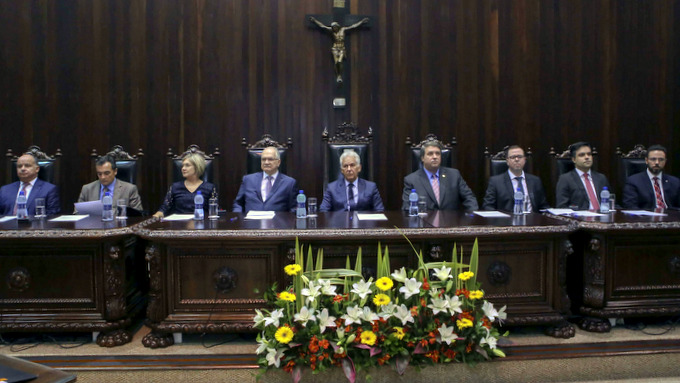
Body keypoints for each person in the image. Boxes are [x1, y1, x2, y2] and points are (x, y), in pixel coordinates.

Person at [402, 140, 478, 211]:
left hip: (452, 223)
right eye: (430, 154)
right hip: (424, 223)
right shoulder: (411, 180)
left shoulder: (454, 175)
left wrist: (471, 217)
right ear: (422, 158)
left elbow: (469, 198)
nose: (435, 157)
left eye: (438, 153)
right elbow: (407, 207)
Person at [482, 145, 550, 212]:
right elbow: (488, 206)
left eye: (520, 157)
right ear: (507, 161)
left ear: (524, 160)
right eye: (513, 157)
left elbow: (543, 206)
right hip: (506, 221)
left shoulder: (535, 181)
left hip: (532, 220)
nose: (517, 159)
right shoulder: (495, 182)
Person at [232, 146, 297, 213]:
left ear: (278, 162)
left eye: (270, 159)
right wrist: (238, 218)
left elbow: (294, 208)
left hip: (277, 222)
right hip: (251, 222)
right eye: (263, 159)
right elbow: (238, 204)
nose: (266, 162)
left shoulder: (289, 183)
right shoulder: (248, 180)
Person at [153, 153, 217, 218]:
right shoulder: (175, 187)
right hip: (179, 225)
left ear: (197, 167)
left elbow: (214, 210)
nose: (183, 168)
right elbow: (164, 208)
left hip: (202, 223)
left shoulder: (209, 187)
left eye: (187, 165)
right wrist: (157, 215)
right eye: (182, 166)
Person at [309, 16, 369, 84]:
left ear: (338, 26)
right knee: (336, 62)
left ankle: (339, 75)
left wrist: (361, 22)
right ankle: (338, 76)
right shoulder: (332, 31)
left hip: (342, 48)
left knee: (339, 62)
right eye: (333, 27)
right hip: (335, 48)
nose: (334, 28)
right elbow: (322, 26)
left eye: (335, 27)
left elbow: (353, 26)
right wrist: (314, 21)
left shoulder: (343, 30)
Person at [320, 150, 384, 212]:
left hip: (363, 222)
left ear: (359, 168)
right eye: (345, 166)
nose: (349, 169)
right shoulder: (331, 188)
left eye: (352, 165)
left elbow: (379, 210)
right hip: (340, 221)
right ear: (341, 170)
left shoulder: (371, 187)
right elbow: (323, 210)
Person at [76, 155, 143, 214]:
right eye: (99, 174)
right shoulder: (87, 189)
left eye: (107, 173)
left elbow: (138, 215)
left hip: (120, 226)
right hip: (93, 226)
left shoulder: (129, 189)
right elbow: (77, 213)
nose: (103, 177)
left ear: (115, 171)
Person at [622, 144, 680, 210]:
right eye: (653, 159)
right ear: (646, 161)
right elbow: (630, 206)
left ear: (665, 162)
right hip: (645, 218)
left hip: (670, 217)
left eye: (661, 159)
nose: (657, 162)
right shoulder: (633, 181)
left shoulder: (675, 182)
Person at [555, 141, 610, 209]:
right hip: (579, 218)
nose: (587, 157)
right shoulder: (565, 179)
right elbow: (562, 207)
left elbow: (611, 203)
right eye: (582, 155)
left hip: (603, 217)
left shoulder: (601, 178)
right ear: (574, 159)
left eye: (589, 154)